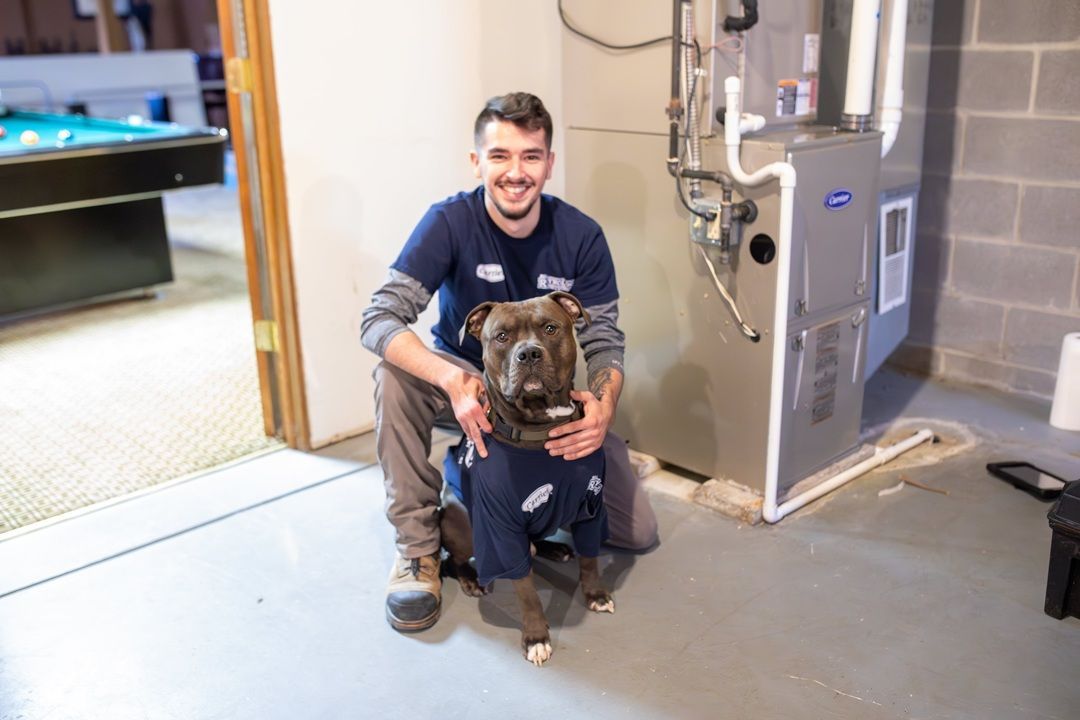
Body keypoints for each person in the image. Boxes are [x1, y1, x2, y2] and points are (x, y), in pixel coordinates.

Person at [360, 92, 658, 633]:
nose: (515, 171)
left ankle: (523, 498)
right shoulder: (449, 223)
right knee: (394, 375)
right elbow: (378, 319)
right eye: (499, 155)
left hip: (556, 401)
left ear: (549, 163)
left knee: (635, 533)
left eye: (530, 155)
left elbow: (605, 340)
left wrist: (603, 410)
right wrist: (452, 377)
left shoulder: (581, 236)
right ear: (477, 162)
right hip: (469, 385)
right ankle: (419, 549)